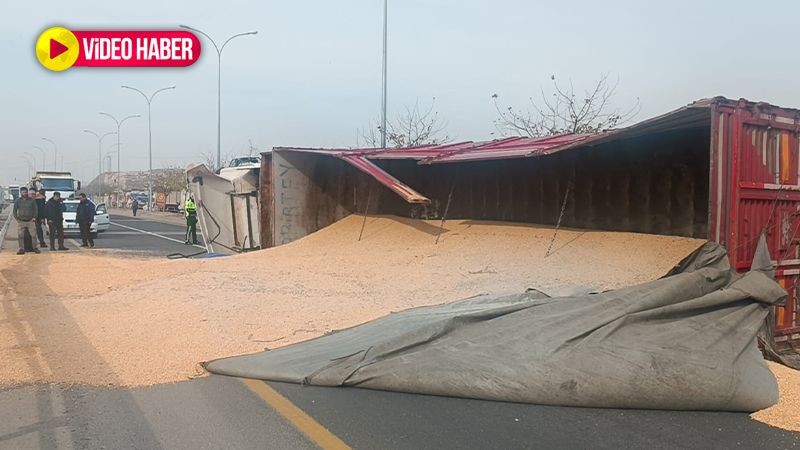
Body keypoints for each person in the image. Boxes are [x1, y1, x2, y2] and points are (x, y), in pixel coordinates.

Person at [13, 187, 40, 255]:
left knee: (33, 235)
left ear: (27, 192)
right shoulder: (18, 201)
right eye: (23, 192)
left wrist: (34, 217)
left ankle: (35, 248)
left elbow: (35, 209)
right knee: (20, 236)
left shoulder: (32, 200)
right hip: (21, 221)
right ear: (21, 193)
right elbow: (14, 210)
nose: (24, 193)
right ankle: (21, 249)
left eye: (25, 192)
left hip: (30, 221)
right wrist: (17, 219)